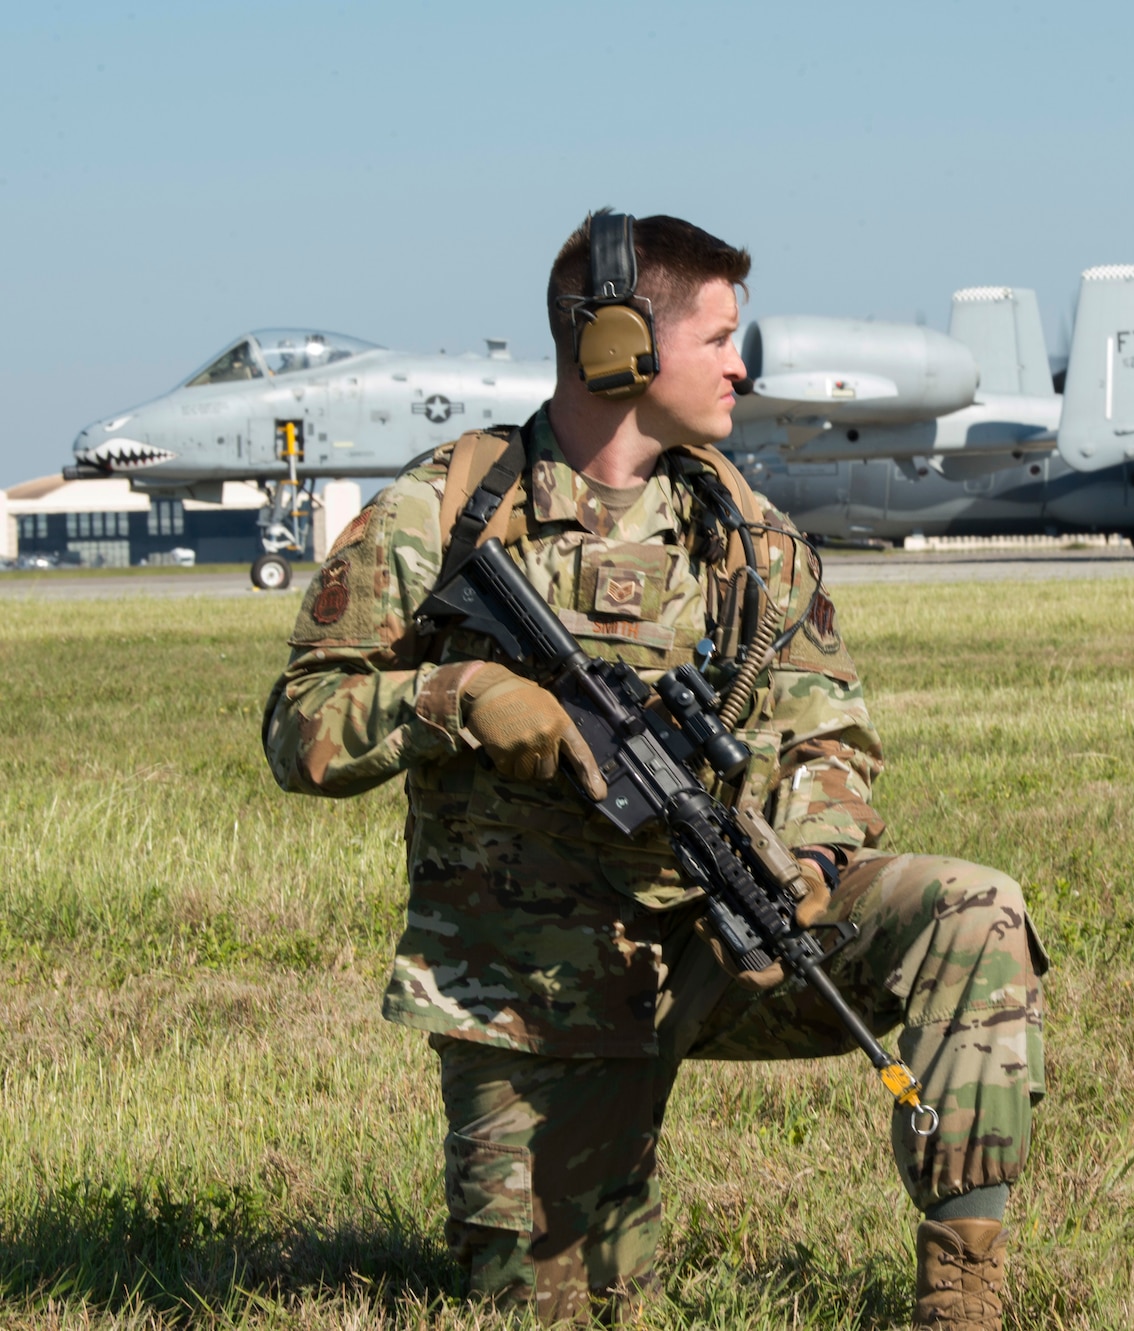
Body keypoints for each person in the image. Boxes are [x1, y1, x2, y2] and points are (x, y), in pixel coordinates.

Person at [263, 213, 1043, 1328]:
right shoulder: (442, 511)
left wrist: (816, 857)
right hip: (533, 992)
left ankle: (964, 1294)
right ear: (618, 344)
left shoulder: (745, 533)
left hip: (721, 936)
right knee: (564, 1305)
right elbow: (300, 723)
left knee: (974, 912)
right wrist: (458, 697)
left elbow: (831, 735)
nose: (741, 363)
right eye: (720, 335)